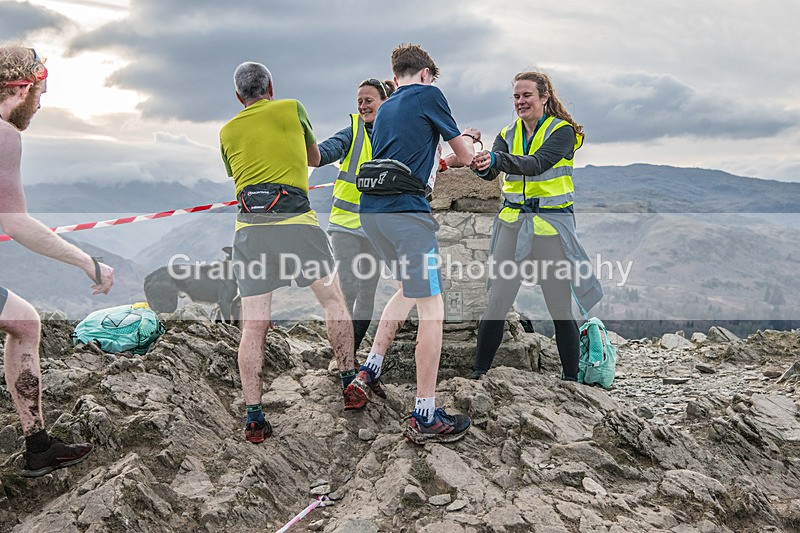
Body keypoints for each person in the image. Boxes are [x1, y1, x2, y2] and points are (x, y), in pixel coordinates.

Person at [219, 62, 368, 444]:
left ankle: (254, 418)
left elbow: (236, 173)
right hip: (296, 222)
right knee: (332, 300)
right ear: (271, 85)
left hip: (249, 230)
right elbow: (313, 156)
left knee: (254, 324)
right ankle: (350, 384)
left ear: (239, 97)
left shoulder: (227, 130)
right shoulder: (291, 108)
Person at [352, 44, 478, 444]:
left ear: (394, 78)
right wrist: (471, 142)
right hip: (407, 214)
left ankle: (369, 368)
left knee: (408, 288)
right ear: (425, 74)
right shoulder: (430, 96)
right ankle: (424, 413)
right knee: (432, 307)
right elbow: (464, 156)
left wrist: (443, 155)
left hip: (371, 213)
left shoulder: (386, 108)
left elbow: (414, 155)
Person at [0, 45, 115, 477]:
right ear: (22, 87)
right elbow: (17, 223)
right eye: (41, 94)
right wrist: (88, 262)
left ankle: (39, 445)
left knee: (25, 321)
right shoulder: (4, 135)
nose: (42, 103)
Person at [470, 71, 603, 382]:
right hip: (513, 225)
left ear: (544, 97)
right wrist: (480, 163)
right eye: (516, 96)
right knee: (498, 299)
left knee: (557, 303)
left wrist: (496, 159)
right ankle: (479, 374)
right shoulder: (507, 132)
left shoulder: (563, 132)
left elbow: (536, 163)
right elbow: (492, 175)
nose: (520, 101)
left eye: (527, 95)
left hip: (549, 228)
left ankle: (570, 378)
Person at [313, 78, 396, 399]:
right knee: (346, 287)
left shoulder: (395, 132)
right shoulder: (352, 130)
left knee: (368, 293)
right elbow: (325, 152)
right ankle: (342, 359)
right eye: (359, 100)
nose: (362, 105)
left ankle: (353, 352)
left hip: (377, 228)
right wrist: (307, 151)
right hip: (346, 226)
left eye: (369, 100)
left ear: (384, 102)